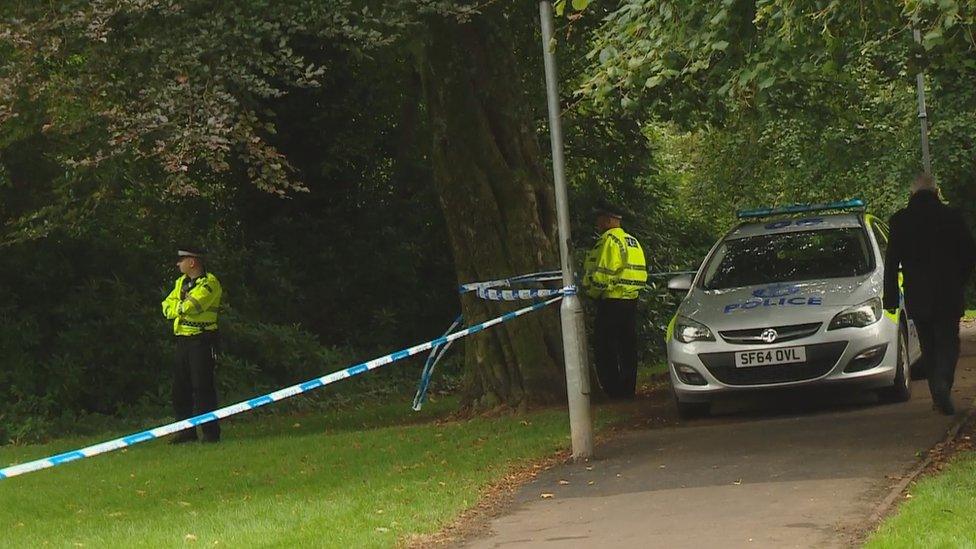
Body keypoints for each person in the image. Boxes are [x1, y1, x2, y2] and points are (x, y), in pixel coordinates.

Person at [883, 174, 976, 415]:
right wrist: (960, 280)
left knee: (929, 344)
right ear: (936, 192)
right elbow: (969, 254)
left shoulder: (900, 221)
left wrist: (890, 298)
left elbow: (891, 263)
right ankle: (943, 384)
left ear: (911, 194)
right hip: (948, 292)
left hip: (917, 294)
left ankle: (938, 391)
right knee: (948, 342)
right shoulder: (952, 218)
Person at [582, 206, 648, 399]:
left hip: (611, 300)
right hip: (631, 300)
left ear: (609, 220)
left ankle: (613, 390)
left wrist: (590, 291)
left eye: (600, 219)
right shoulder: (632, 241)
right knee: (627, 346)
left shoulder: (609, 241)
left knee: (605, 347)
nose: (597, 223)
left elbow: (603, 274)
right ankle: (628, 389)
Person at [161, 246, 223, 442]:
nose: (178, 264)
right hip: (183, 341)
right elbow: (166, 306)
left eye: (182, 260)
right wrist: (180, 306)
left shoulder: (209, 283)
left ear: (192, 262)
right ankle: (187, 432)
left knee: (202, 387)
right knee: (180, 389)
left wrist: (179, 306)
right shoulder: (181, 283)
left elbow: (194, 306)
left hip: (201, 341)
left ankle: (210, 433)